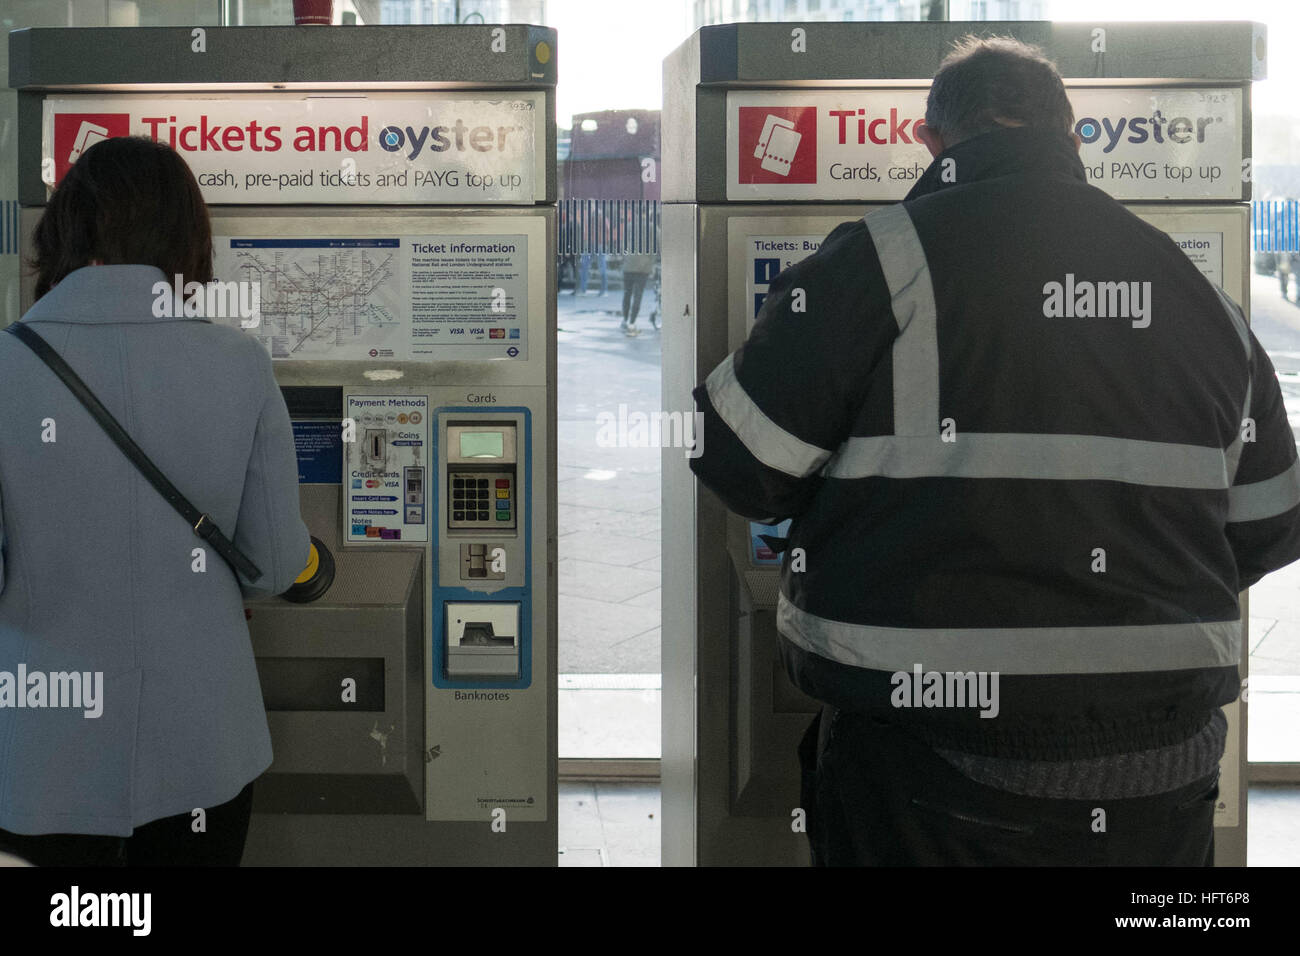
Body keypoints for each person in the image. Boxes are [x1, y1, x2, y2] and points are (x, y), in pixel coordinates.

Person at [689, 36, 1300, 866]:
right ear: (1072, 135)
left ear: (930, 141)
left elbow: (739, 461)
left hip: (932, 767)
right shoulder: (1197, 294)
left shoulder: (881, 259)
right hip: (1163, 774)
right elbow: (1270, 521)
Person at [0, 137, 310, 866]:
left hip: (41, 753)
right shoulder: (240, 366)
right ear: (187, 239)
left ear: (66, 229)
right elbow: (272, 564)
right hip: (203, 749)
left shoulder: (7, 367)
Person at [620, 252, 656, 336]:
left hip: (628, 266)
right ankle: (632, 324)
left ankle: (625, 320)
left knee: (627, 294)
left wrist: (625, 259)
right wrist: (651, 266)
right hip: (642, 268)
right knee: (638, 295)